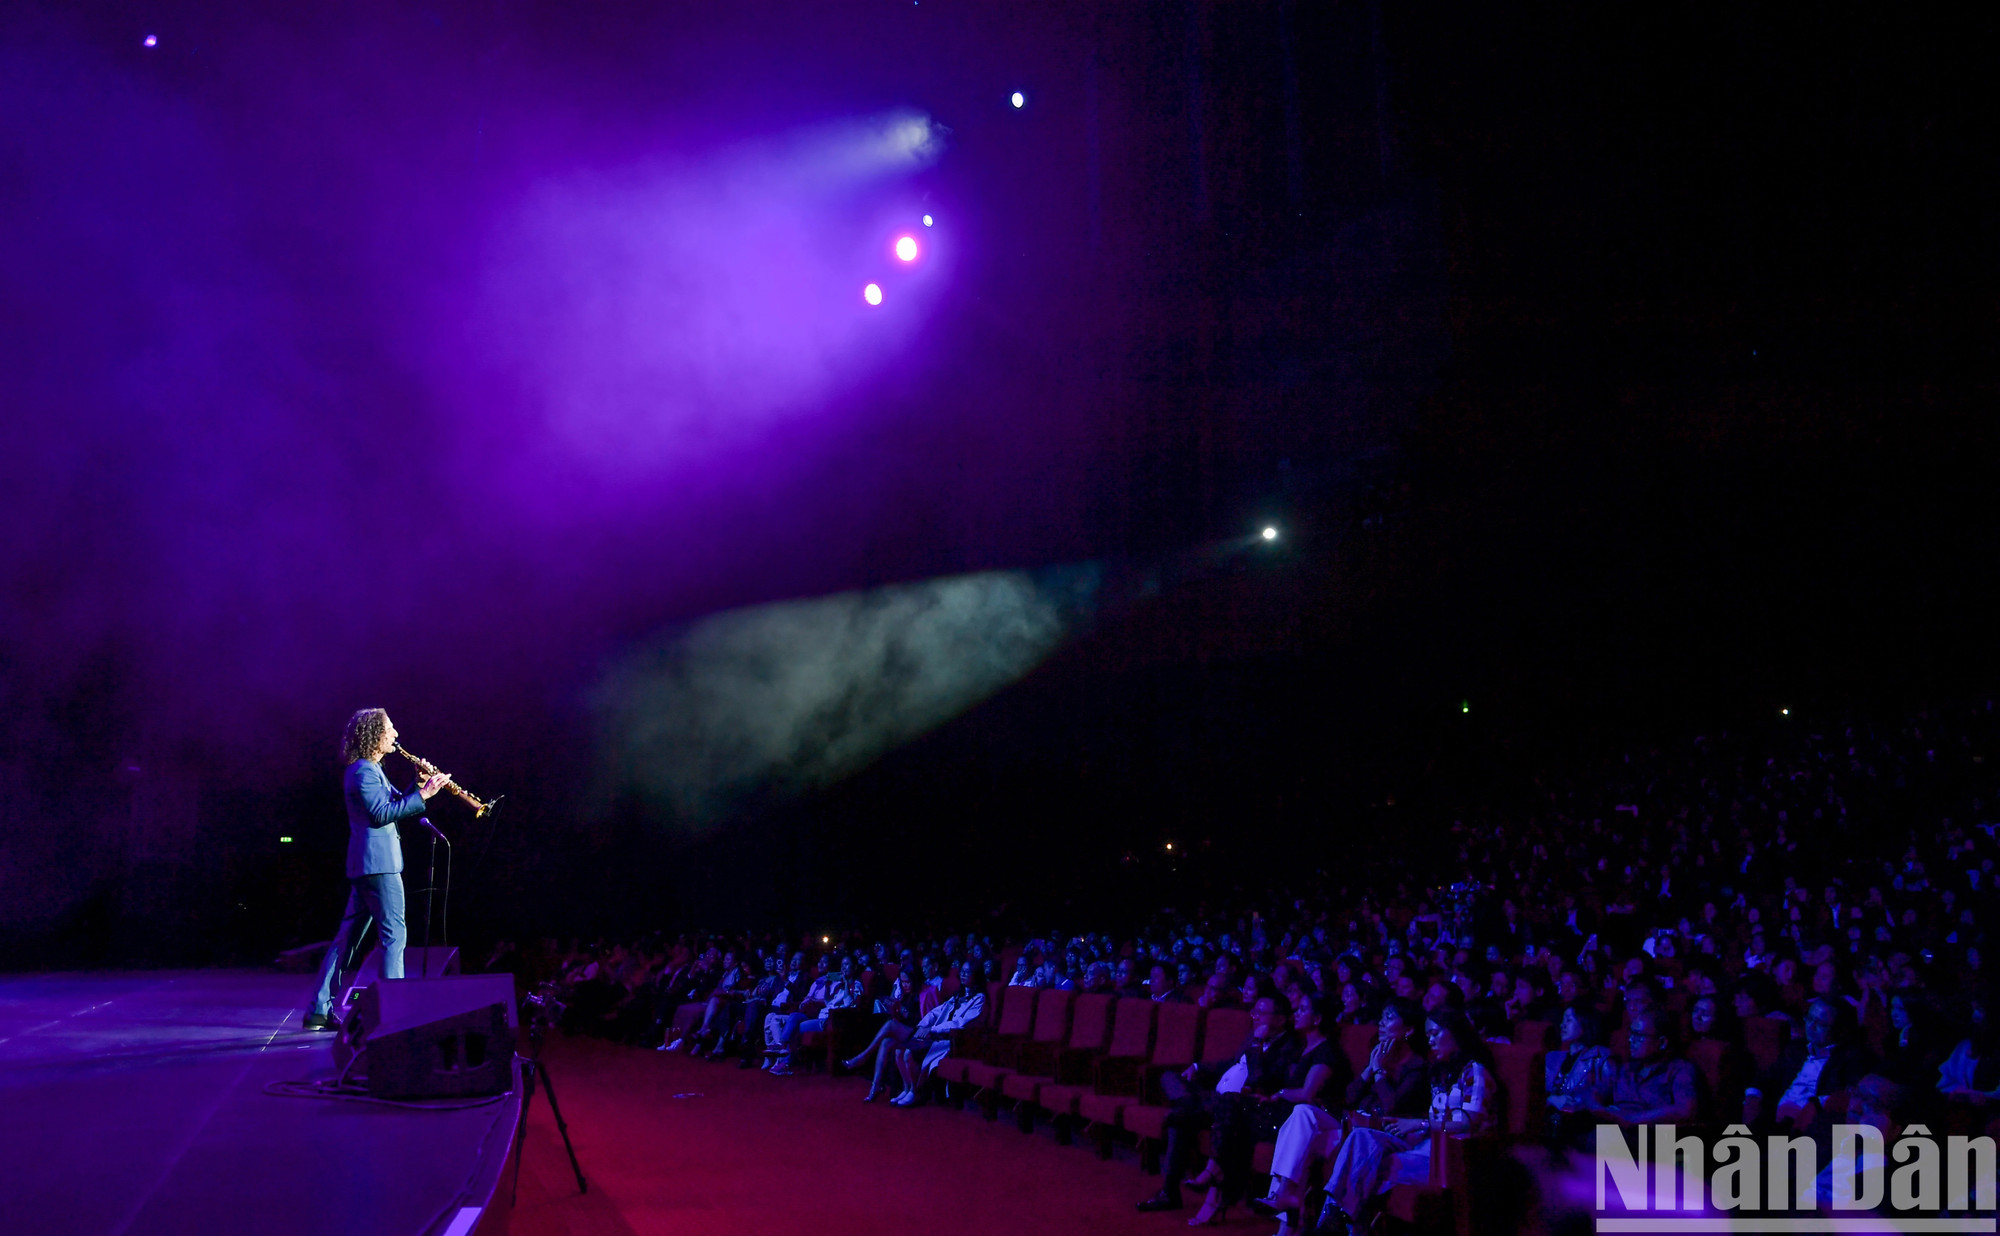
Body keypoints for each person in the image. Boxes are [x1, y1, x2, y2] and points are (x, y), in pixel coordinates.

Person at [306, 709, 449, 1031]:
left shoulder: (370, 770)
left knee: (347, 940)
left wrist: (419, 783)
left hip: (369, 865)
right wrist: (424, 795)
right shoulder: (363, 772)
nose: (396, 734)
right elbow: (382, 815)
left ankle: (318, 1009)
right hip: (378, 866)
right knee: (394, 936)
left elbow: (395, 803)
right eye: (390, 728)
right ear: (375, 735)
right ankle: (395, 1013)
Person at [1315, 1009, 1496, 1236]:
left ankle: (1334, 1224)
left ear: (1455, 1033)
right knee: (1362, 1138)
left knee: (1365, 1167)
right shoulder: (1440, 1072)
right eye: (1428, 1035)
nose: (1430, 1040)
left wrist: (1419, 1125)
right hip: (1426, 1145)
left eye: (1435, 1034)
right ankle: (1336, 1221)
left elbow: (1469, 1121)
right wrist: (1413, 1128)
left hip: (1455, 1156)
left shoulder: (1474, 1071)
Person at [1135, 994, 1300, 1217]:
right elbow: (1232, 1063)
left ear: (1281, 1019)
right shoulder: (1254, 1035)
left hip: (1238, 1108)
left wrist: (1257, 1044)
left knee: (1178, 1121)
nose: (1254, 1016)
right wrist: (1198, 1066)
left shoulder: (1289, 1045)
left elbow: (1259, 1079)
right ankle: (1189, 1106)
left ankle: (1169, 1193)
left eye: (1261, 1012)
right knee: (1169, 1077)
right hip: (1214, 1098)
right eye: (1254, 1011)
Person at [889, 961, 988, 1104]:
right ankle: (909, 1089)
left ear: (977, 975)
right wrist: (922, 1025)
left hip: (955, 1041)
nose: (963, 974)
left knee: (908, 1053)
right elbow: (937, 1012)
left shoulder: (980, 999)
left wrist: (933, 1029)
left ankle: (915, 1092)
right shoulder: (958, 995)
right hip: (937, 1035)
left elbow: (961, 1023)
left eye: (968, 972)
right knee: (900, 1050)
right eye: (962, 971)